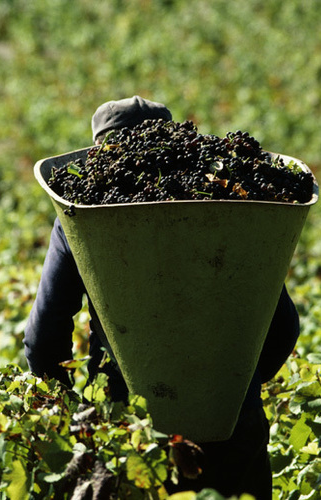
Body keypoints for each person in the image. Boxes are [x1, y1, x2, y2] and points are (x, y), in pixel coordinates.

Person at [23, 96, 300, 499]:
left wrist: (79, 417)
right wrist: (233, 393)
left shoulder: (82, 217)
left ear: (100, 155)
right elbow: (284, 327)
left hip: (132, 437)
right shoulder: (231, 210)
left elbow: (42, 341)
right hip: (234, 436)